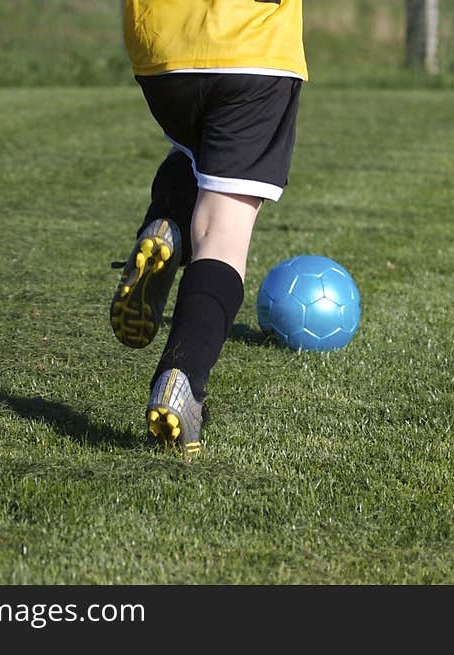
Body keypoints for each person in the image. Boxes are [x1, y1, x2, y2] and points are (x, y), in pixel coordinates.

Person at [111, 0, 308, 456]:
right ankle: (182, 377)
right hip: (252, 48)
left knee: (196, 153)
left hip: (161, 52)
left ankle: (166, 220)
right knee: (224, 233)